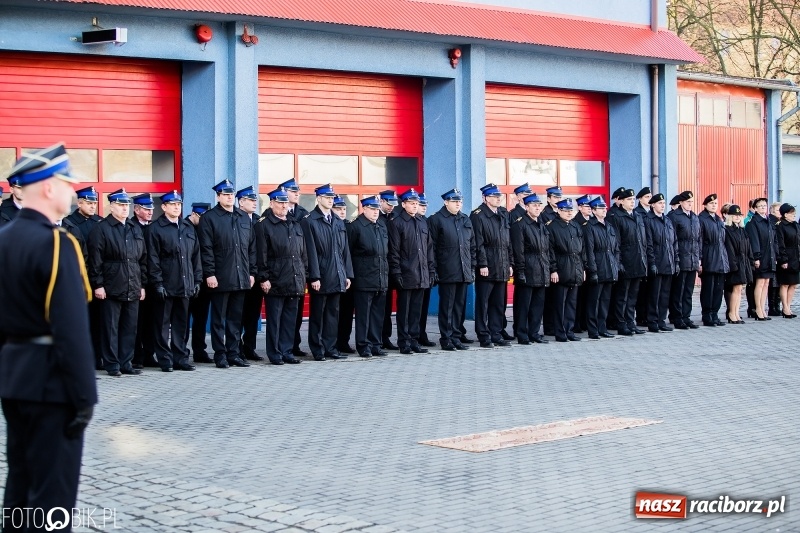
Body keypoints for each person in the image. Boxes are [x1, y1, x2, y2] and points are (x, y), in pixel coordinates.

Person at [0, 143, 97, 528]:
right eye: (67, 183)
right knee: (52, 500)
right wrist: (85, 396)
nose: (73, 191)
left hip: (15, 380)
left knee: (20, 486)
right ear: (48, 187)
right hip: (53, 385)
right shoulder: (58, 242)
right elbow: (71, 330)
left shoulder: (4, 238)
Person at [88, 188, 147, 376]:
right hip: (111, 285)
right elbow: (95, 260)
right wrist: (98, 284)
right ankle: (112, 364)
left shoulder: (133, 228)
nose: (124, 209)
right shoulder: (102, 228)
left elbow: (142, 259)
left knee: (129, 327)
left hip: (133, 283)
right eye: (121, 205)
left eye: (126, 205)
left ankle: (126, 362)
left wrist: (142, 284)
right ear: (111, 206)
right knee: (110, 328)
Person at [198, 179, 257, 369]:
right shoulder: (210, 218)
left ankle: (234, 353)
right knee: (218, 320)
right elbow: (206, 249)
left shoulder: (242, 217)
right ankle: (220, 354)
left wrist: (252, 272)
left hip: (241, 276)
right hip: (221, 277)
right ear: (218, 196)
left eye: (231, 194)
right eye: (225, 194)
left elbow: (251, 248)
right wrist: (210, 274)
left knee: (235, 319)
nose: (229, 197)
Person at [147, 190, 202, 372]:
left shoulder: (187, 228)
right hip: (166, 285)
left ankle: (181, 358)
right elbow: (153, 259)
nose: (177, 207)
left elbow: (195, 256)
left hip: (185, 284)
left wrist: (197, 280)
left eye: (178, 204)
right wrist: (158, 283)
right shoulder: (155, 229)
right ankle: (165, 359)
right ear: (163, 207)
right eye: (172, 204)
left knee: (181, 324)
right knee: (162, 325)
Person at [255, 188, 307, 365]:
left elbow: (302, 254)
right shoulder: (264, 225)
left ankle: (287, 351)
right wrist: (264, 278)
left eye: (286, 202)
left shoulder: (294, 224)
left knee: (289, 320)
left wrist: (303, 274)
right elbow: (260, 255)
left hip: (294, 278)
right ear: (271, 203)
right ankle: (275, 353)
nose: (284, 205)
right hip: (275, 280)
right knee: (275, 321)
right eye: (280, 202)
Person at [302, 184, 353, 361]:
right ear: (318, 198)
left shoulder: (338, 221)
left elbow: (344, 250)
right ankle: (317, 349)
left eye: (332, 197)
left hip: (337, 274)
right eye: (327, 197)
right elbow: (310, 252)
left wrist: (347, 274)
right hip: (321, 276)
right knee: (318, 315)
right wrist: (314, 276)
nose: (331, 200)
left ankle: (331, 347)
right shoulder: (310, 221)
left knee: (333, 314)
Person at [388, 188, 436, 354]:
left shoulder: (422, 222)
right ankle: (404, 342)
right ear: (404, 204)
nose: (415, 206)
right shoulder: (397, 223)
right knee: (405, 311)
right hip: (406, 274)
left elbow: (429, 249)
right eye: (412, 203)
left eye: (417, 203)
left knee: (416, 311)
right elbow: (394, 251)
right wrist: (396, 273)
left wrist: (431, 271)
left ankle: (414, 341)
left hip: (422, 274)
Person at [428, 188, 475, 351]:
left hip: (463, 271)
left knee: (459, 306)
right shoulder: (437, 219)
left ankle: (456, 336)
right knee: (447, 307)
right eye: (455, 201)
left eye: (460, 201)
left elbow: (471, 246)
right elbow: (431, 247)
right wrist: (434, 270)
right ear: (446, 202)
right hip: (447, 270)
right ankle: (446, 338)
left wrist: (471, 267)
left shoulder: (465, 219)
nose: (458, 204)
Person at [273, 178, 311, 359]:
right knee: (278, 317)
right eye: (292, 191)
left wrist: (305, 272)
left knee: (293, 316)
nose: (297, 194)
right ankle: (277, 350)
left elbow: (305, 248)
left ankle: (291, 347)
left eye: (298, 191)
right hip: (279, 274)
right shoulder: (269, 218)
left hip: (297, 273)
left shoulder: (303, 215)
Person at [347, 196, 389, 357]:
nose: (375, 212)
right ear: (364, 209)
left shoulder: (381, 226)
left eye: (377, 209)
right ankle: (363, 345)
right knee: (363, 315)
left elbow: (385, 253)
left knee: (378, 314)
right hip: (363, 279)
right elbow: (348, 254)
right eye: (372, 209)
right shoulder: (356, 227)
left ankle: (376, 344)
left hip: (380, 277)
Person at [471, 183, 513, 348]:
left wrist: (510, 263)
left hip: (502, 264)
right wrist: (482, 264)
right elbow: (477, 243)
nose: (497, 198)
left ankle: (496, 333)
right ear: (485, 198)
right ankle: (483, 335)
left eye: (498, 196)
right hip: (487, 266)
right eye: (494, 196)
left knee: (498, 303)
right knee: (483, 303)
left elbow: (507, 242)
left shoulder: (502, 214)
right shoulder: (478, 215)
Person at [510, 193, 550, 344]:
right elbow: (518, 251)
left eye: (539, 205)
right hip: (527, 270)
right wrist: (520, 271)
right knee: (523, 306)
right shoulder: (520, 225)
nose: (537, 208)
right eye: (534, 205)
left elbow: (546, 250)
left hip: (541, 269)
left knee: (537, 306)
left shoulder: (541, 224)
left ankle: (534, 333)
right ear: (526, 207)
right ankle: (522, 333)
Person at [608, 188, 647, 336]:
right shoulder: (616, 217)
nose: (632, 202)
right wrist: (619, 263)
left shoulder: (637, 216)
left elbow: (642, 241)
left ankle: (631, 322)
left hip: (637, 261)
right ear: (622, 201)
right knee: (622, 296)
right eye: (629, 200)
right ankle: (621, 323)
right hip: (625, 262)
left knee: (632, 296)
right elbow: (616, 243)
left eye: (633, 199)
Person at [547, 198, 585, 342]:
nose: (569, 213)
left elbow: (582, 250)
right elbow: (550, 251)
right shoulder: (552, 227)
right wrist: (553, 269)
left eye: (571, 210)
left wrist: (582, 268)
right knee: (559, 304)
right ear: (558, 210)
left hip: (575, 267)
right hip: (561, 267)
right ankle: (560, 331)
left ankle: (569, 330)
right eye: (565, 210)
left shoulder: (575, 226)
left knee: (571, 303)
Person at [583, 196, 619, 339]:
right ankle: (593, 330)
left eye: (605, 208)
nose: (604, 211)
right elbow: (589, 251)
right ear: (593, 210)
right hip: (598, 268)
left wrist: (615, 265)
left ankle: (602, 327)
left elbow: (615, 248)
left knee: (605, 301)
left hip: (609, 268)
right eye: (601, 208)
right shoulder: (590, 227)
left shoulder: (609, 226)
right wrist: (593, 271)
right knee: (593, 301)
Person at [237, 186, 266, 362]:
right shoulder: (235, 219)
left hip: (256, 275)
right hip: (240, 275)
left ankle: (250, 347)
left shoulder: (258, 221)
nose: (254, 203)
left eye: (255, 200)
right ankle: (236, 348)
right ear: (241, 202)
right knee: (238, 315)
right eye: (250, 200)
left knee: (252, 315)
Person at [643, 193, 678, 333]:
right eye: (659, 203)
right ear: (652, 205)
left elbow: (673, 243)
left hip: (668, 262)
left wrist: (676, 261)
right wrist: (652, 263)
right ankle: (652, 321)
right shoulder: (649, 220)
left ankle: (661, 320)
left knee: (665, 294)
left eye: (663, 203)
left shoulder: (668, 221)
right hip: (657, 262)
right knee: (654, 294)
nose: (662, 205)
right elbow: (649, 245)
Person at [130, 193, 157, 369]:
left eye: (151, 209)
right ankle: (136, 355)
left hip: (153, 281)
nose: (149, 212)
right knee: (136, 322)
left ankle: (149, 354)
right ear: (137, 209)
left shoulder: (154, 227)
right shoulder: (130, 227)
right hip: (136, 281)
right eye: (146, 209)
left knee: (151, 321)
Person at [668, 191, 701, 329]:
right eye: (688, 202)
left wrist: (698, 259)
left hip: (692, 259)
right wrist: (675, 259)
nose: (690, 204)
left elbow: (698, 239)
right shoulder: (675, 216)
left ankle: (686, 316)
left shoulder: (694, 217)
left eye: (692, 202)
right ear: (681, 202)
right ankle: (677, 317)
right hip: (681, 258)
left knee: (688, 291)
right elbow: (672, 240)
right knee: (678, 291)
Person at [185, 202, 213, 363]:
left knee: (201, 319)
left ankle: (199, 351)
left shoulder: (205, 229)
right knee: (183, 319)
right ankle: (182, 350)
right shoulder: (184, 227)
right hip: (187, 281)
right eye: (202, 218)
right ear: (194, 214)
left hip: (202, 282)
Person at [698, 193, 730, 327]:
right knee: (708, 288)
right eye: (711, 204)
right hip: (709, 257)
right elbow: (699, 240)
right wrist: (700, 260)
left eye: (716, 203)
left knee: (718, 289)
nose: (714, 206)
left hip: (720, 257)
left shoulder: (718, 219)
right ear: (705, 205)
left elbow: (723, 240)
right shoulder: (701, 218)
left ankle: (715, 314)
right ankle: (707, 315)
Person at [745, 197, 777, 321]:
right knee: (759, 283)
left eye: (764, 205)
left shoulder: (768, 221)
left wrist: (775, 255)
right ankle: (757, 309)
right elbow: (754, 241)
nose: (763, 208)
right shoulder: (754, 223)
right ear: (755, 208)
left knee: (766, 283)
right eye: (760, 206)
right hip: (761, 257)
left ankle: (763, 308)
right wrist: (756, 257)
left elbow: (773, 241)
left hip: (770, 256)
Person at [334, 195, 357, 354]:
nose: (342, 212)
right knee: (333, 312)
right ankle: (332, 342)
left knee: (347, 312)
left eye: (344, 209)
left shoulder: (349, 226)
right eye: (338, 209)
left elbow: (351, 253)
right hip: (333, 275)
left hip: (347, 276)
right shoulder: (330, 225)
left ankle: (344, 341)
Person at [378, 189, 400, 350]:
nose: (391, 207)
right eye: (388, 204)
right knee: (380, 306)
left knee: (389, 306)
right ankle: (378, 337)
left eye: (393, 204)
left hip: (393, 266)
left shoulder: (395, 217)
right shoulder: (375, 217)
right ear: (381, 201)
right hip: (379, 268)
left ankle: (386, 337)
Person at [723, 205, 753, 324]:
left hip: (743, 262)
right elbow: (729, 249)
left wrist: (750, 262)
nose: (737, 217)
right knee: (735, 288)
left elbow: (748, 247)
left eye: (739, 215)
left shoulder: (742, 230)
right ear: (730, 216)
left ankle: (736, 313)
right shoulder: (728, 230)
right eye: (734, 215)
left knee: (740, 289)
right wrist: (733, 265)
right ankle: (731, 313)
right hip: (735, 264)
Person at [415, 193, 437, 347]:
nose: (423, 208)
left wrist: (432, 270)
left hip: (426, 272)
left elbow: (431, 249)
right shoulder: (405, 222)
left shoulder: (426, 222)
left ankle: (421, 334)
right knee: (413, 309)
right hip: (413, 273)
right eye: (421, 205)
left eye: (425, 205)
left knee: (423, 308)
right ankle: (414, 336)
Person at [572, 194, 592, 334]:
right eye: (587, 206)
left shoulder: (590, 221)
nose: (590, 209)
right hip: (577, 263)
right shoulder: (576, 222)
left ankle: (584, 322)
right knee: (578, 297)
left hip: (587, 262)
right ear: (580, 207)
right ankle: (576, 323)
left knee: (587, 296)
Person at [775, 203, 800, 318]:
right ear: (785, 214)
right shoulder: (780, 226)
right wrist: (783, 260)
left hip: (795, 257)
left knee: (793, 284)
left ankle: (789, 306)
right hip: (786, 257)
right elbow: (780, 244)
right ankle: (785, 307)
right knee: (785, 284)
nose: (794, 215)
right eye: (791, 213)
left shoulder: (795, 225)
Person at [634, 187, 652, 327]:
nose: (649, 199)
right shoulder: (638, 213)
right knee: (640, 291)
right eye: (646, 196)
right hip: (639, 255)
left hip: (648, 254)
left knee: (649, 291)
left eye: (650, 196)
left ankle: (648, 315)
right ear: (640, 199)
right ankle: (641, 317)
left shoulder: (651, 213)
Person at [768, 202, 784, 316]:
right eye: (778, 210)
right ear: (772, 211)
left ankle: (777, 305)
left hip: (778, 253)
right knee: (773, 282)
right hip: (773, 254)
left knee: (778, 282)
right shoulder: (772, 222)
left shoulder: (781, 222)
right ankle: (772, 306)